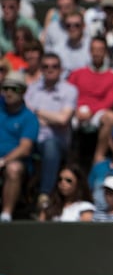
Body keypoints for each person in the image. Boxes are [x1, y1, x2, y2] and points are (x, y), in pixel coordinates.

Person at [24, 53, 78, 210]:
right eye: (46, 67)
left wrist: (38, 111)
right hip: (31, 137)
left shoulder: (69, 90)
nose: (50, 70)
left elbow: (63, 119)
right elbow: (27, 115)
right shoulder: (32, 89)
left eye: (54, 66)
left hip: (56, 141)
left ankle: (44, 195)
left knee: (50, 146)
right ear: (40, 69)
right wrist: (50, 118)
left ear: (61, 69)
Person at [67, 35, 113, 167]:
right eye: (94, 49)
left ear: (106, 52)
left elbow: (110, 100)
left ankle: (99, 157)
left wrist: (92, 112)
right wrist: (77, 110)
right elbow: (68, 94)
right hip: (77, 110)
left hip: (97, 113)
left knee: (112, 118)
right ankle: (69, 157)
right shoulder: (77, 73)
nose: (97, 53)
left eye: (100, 49)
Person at [0, 70, 39, 222]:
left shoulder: (29, 117)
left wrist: (3, 161)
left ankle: (6, 214)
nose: (9, 92)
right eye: (6, 88)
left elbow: (25, 148)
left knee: (13, 169)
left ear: (23, 91)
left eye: (14, 89)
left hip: (16, 163)